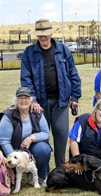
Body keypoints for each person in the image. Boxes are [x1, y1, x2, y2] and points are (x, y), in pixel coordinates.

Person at [20, 18, 81, 169]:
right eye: (40, 36)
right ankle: (43, 170)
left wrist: (74, 97)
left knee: (61, 134)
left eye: (45, 36)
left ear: (51, 35)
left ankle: (60, 168)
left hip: (61, 101)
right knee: (41, 136)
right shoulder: (29, 52)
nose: (43, 39)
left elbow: (73, 74)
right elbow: (26, 79)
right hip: (39, 103)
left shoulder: (63, 50)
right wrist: (32, 100)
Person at [0, 87, 52, 185]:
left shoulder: (37, 112)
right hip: (12, 149)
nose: (23, 101)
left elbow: (45, 133)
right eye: (20, 98)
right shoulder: (8, 115)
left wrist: (31, 138)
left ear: (31, 100)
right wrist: (15, 157)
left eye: (26, 98)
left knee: (44, 149)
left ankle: (41, 177)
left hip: (29, 146)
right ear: (15, 100)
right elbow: (4, 141)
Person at [68, 98, 101, 170]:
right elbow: (73, 141)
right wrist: (78, 161)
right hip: (82, 161)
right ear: (96, 109)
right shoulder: (82, 121)